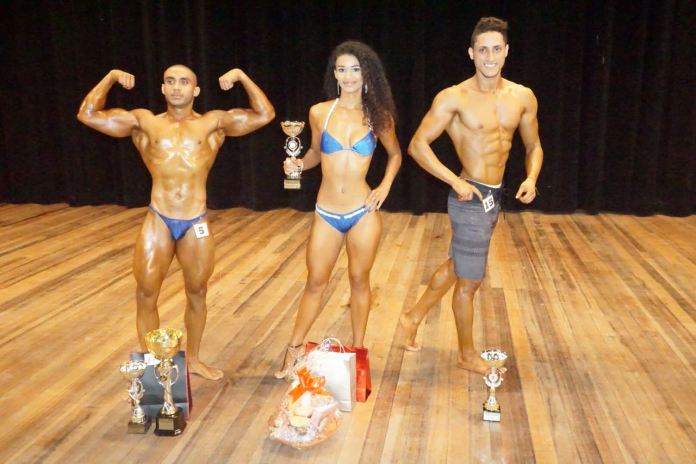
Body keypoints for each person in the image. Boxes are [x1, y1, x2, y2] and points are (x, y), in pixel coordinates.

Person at [77, 65, 275, 380]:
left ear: (195, 90)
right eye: (170, 81)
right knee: (146, 292)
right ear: (163, 88)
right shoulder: (145, 122)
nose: (177, 87)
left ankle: (193, 359)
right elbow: (87, 114)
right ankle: (151, 364)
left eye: (184, 82)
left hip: (195, 220)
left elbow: (265, 114)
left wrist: (241, 76)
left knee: (197, 291)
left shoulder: (213, 123)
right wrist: (111, 77)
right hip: (159, 217)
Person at [399, 17, 543, 373]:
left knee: (458, 265)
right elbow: (417, 145)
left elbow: (534, 146)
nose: (489, 57)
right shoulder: (453, 97)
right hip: (469, 200)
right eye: (482, 50)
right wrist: (454, 181)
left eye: (496, 49)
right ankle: (466, 355)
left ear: (507, 52)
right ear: (471, 53)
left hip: (495, 197)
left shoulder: (522, 97)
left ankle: (412, 316)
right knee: (470, 281)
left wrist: (532, 177)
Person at [275, 41, 402, 379]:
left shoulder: (379, 117)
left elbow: (395, 155)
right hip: (327, 212)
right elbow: (315, 154)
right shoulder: (320, 112)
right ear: (334, 73)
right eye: (342, 69)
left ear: (367, 74)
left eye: (355, 69)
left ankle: (358, 354)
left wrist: (384, 187)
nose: (348, 76)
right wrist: (298, 165)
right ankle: (293, 350)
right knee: (315, 282)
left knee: (359, 280)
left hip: (362, 212)